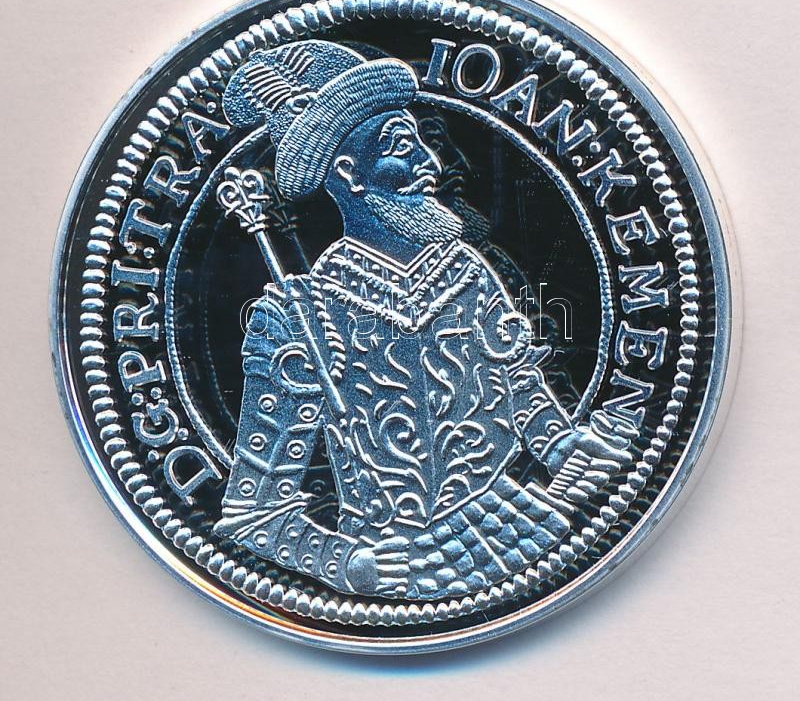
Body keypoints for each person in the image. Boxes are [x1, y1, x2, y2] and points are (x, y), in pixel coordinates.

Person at [214, 41, 632, 599]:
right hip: (395, 569)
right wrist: (345, 565)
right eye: (401, 148)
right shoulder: (295, 319)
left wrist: (570, 452)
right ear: (349, 174)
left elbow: (525, 400)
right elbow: (252, 516)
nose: (430, 167)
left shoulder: (466, 271)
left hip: (517, 527)